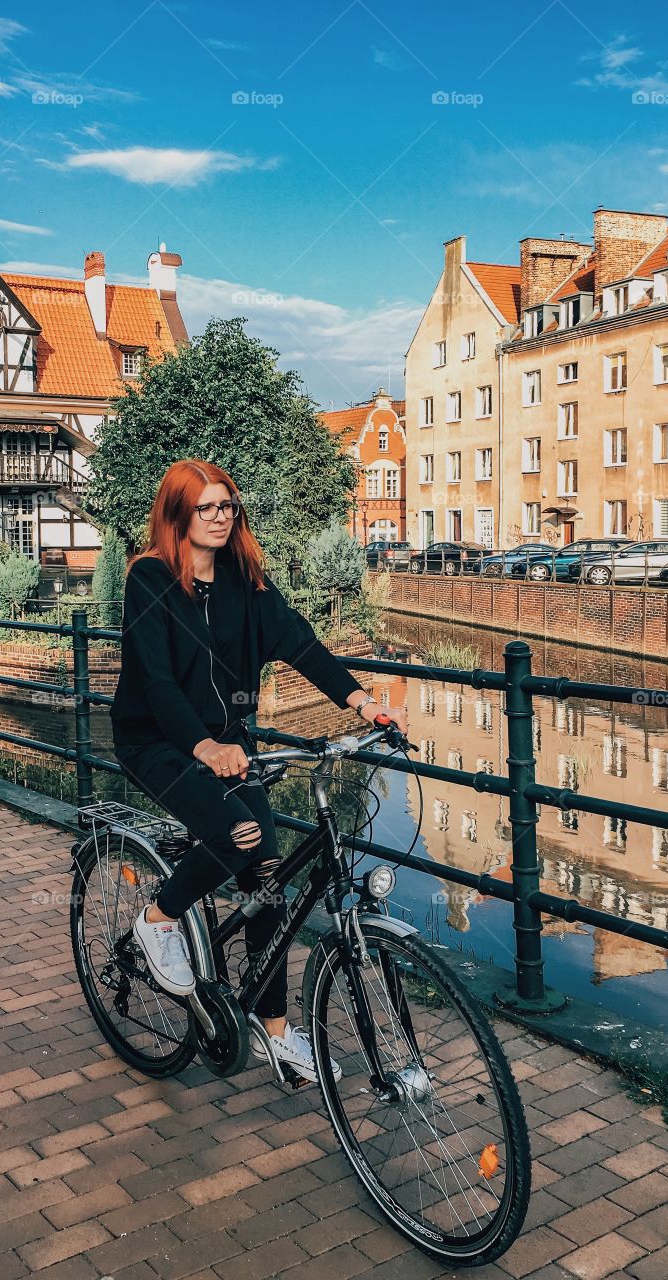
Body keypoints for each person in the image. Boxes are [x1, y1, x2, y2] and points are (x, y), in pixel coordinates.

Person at [110, 458, 406, 1082]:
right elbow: (159, 686)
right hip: (157, 741)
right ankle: (158, 920)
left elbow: (299, 643)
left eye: (227, 507)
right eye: (206, 508)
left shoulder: (245, 582)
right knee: (235, 836)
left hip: (232, 744)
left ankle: (274, 1031)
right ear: (178, 515)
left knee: (268, 877)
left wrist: (359, 701)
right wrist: (203, 747)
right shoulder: (150, 580)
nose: (220, 518)